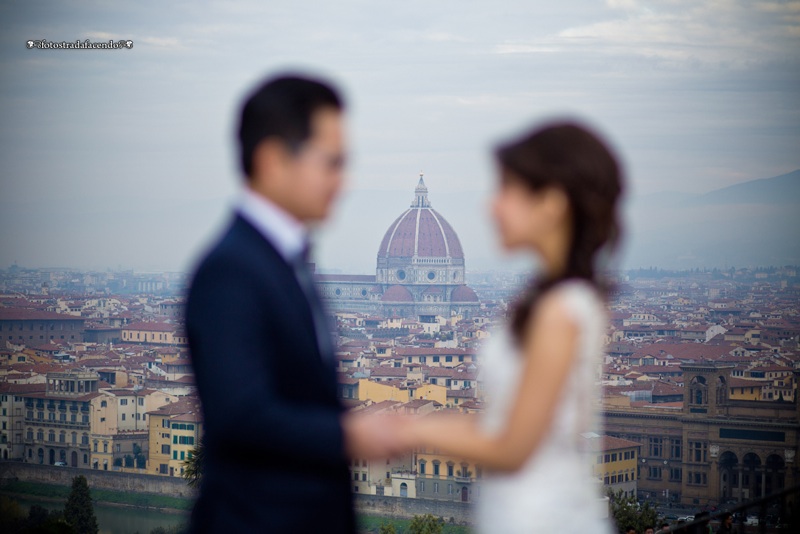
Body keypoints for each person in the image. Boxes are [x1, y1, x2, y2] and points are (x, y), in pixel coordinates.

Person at [186, 74, 396, 533]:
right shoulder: (231, 270)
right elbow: (240, 415)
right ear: (273, 161)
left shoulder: (286, 262)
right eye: (332, 163)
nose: (345, 181)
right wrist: (351, 434)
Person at [403, 121, 624, 532]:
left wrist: (401, 430)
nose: (492, 206)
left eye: (506, 190)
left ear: (551, 204)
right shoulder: (557, 297)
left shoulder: (560, 311)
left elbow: (515, 447)